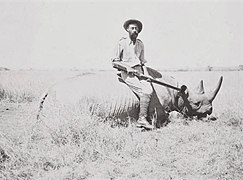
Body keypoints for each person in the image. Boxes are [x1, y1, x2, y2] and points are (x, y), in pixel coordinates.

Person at [111, 19, 154, 129]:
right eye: (132, 28)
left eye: (137, 29)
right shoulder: (121, 43)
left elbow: (142, 62)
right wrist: (127, 68)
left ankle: (146, 118)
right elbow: (115, 62)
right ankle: (142, 119)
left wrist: (147, 75)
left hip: (140, 72)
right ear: (127, 30)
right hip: (127, 73)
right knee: (143, 92)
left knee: (149, 90)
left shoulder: (140, 44)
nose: (135, 30)